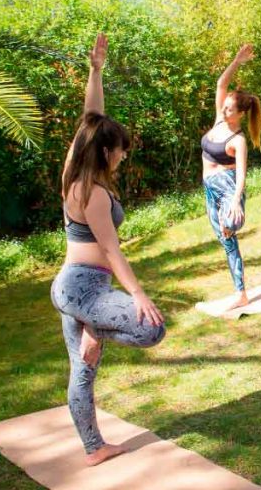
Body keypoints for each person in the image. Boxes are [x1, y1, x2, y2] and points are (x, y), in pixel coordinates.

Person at [50, 33, 166, 466]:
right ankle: (94, 330)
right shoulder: (93, 194)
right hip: (86, 290)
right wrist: (138, 295)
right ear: (104, 151)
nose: (122, 158)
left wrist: (96, 71)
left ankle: (94, 449)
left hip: (69, 287)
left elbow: (91, 118)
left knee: (82, 370)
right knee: (150, 328)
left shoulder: (72, 171)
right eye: (120, 152)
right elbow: (113, 253)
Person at [197, 44, 261, 314]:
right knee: (226, 242)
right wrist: (237, 60)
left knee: (229, 226)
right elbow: (221, 83)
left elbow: (241, 175)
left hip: (227, 189)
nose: (223, 110)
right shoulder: (217, 122)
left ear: (240, 114)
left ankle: (235, 219)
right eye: (223, 107)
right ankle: (241, 293)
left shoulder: (238, 140)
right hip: (209, 190)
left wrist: (236, 201)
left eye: (228, 110)